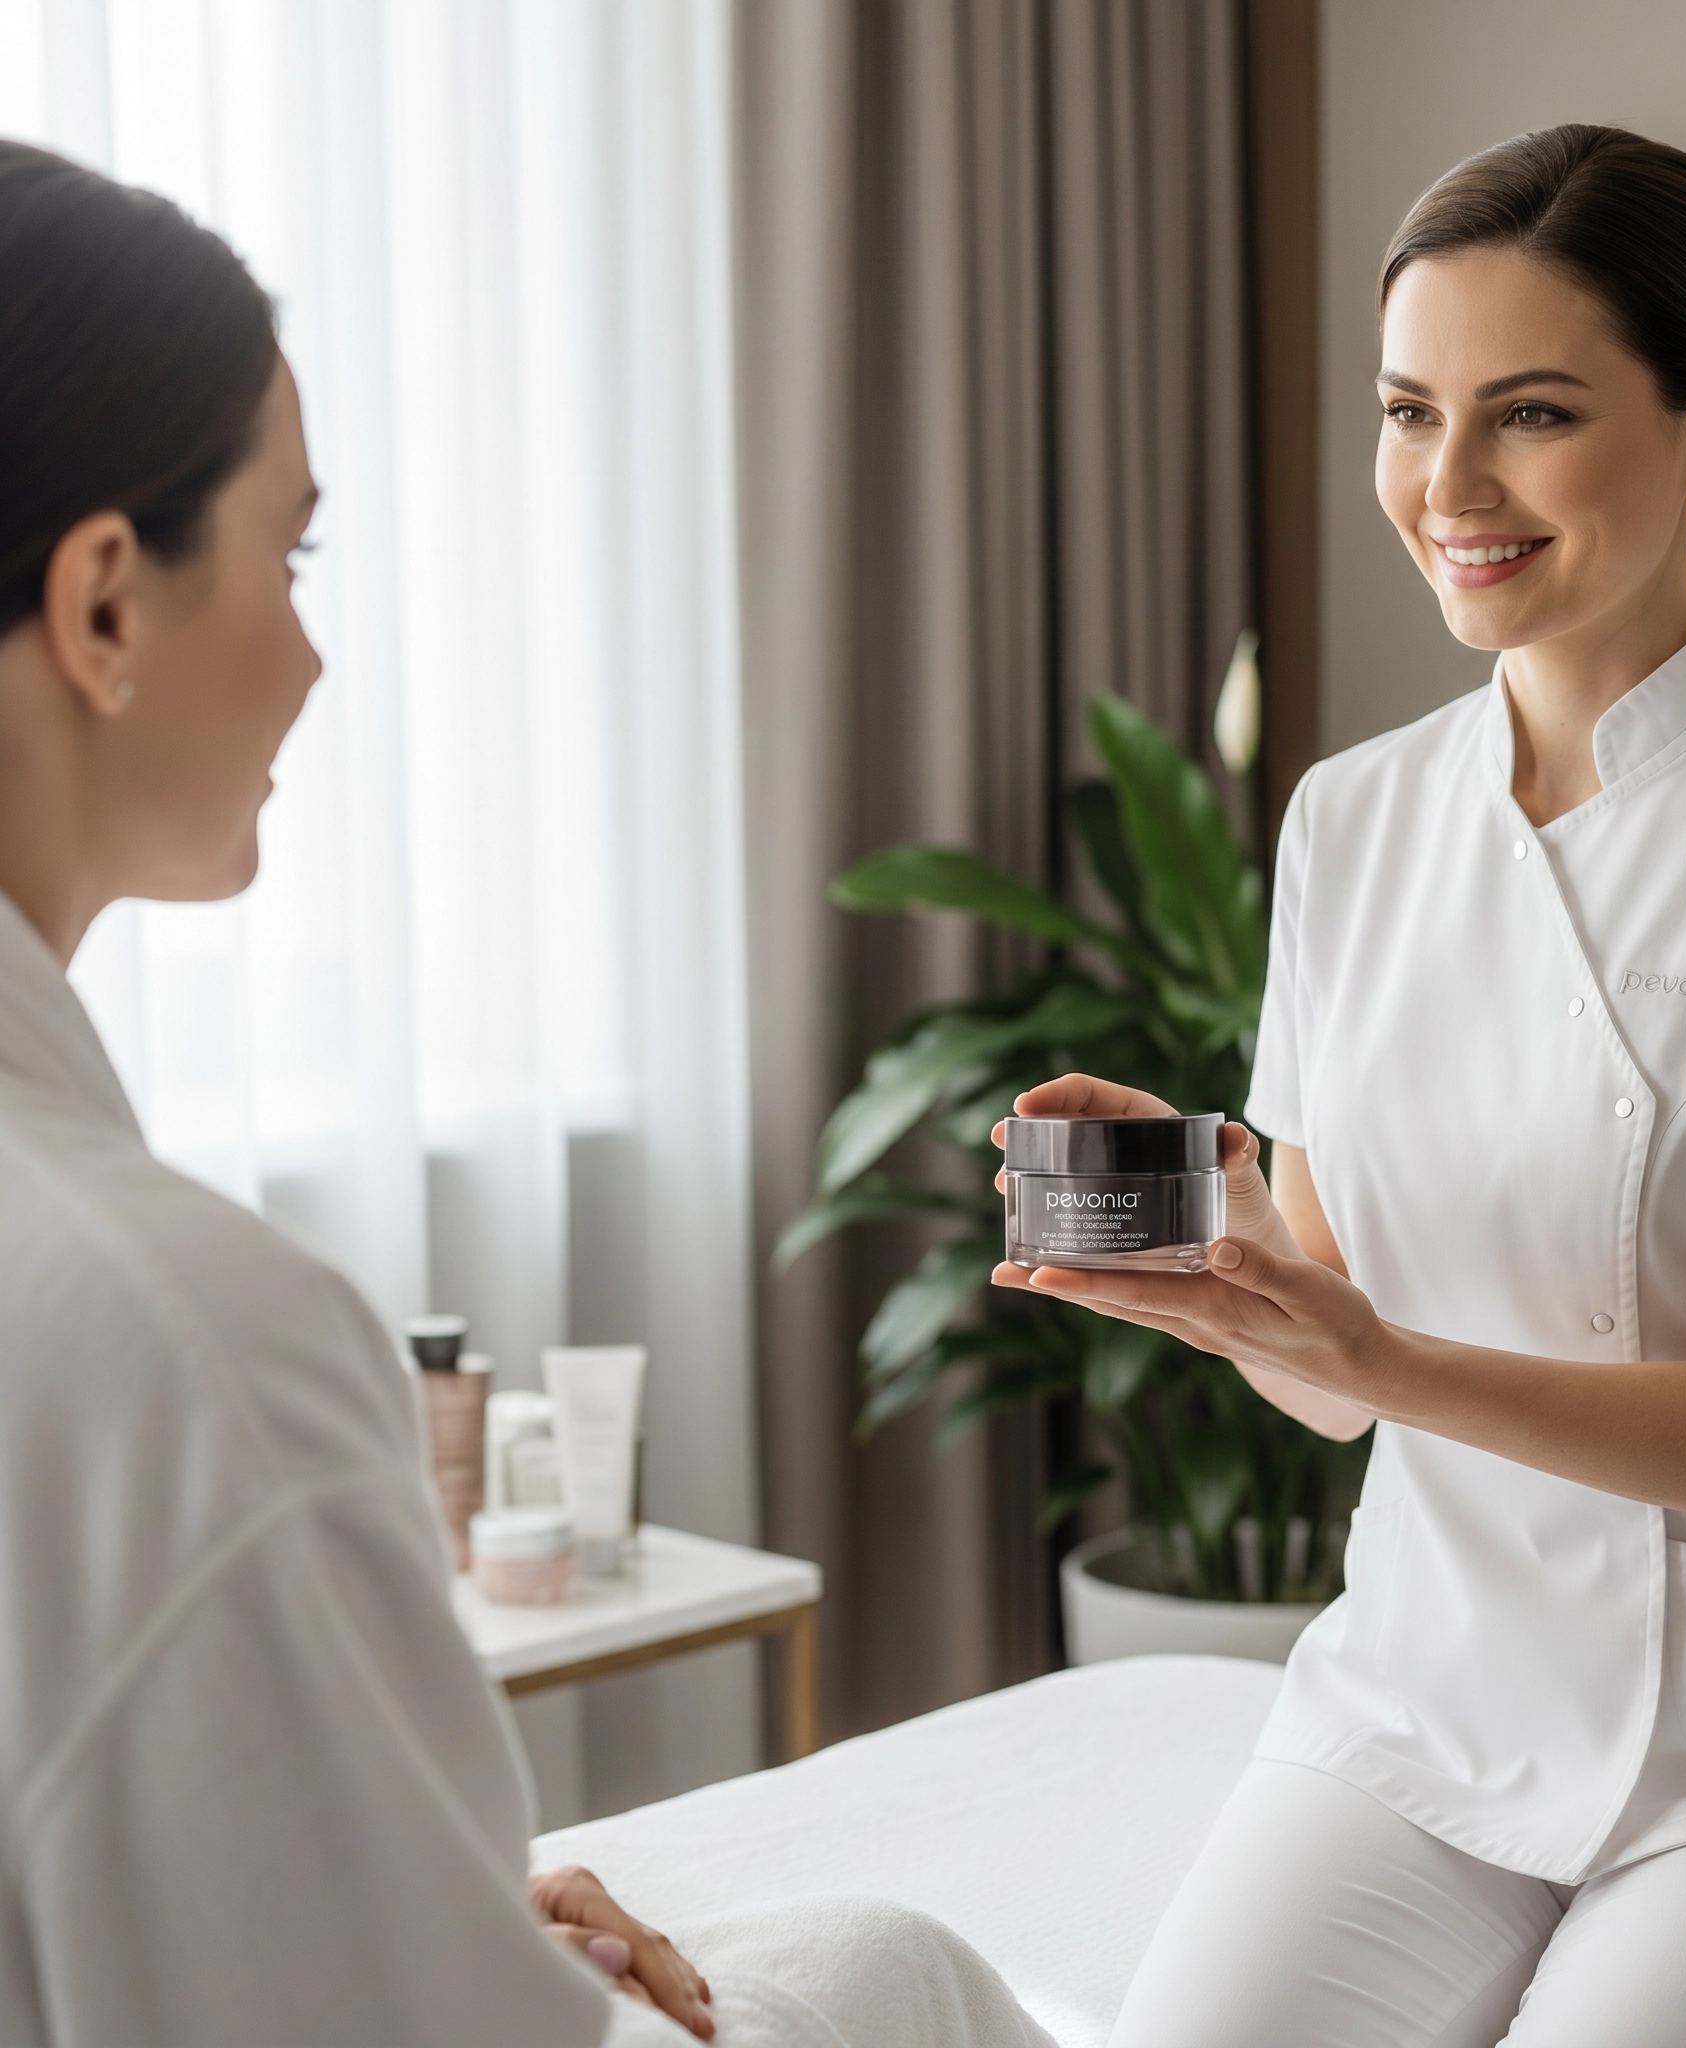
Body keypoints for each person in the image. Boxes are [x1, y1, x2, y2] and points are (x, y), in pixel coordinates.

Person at [0, 140, 1052, 2048]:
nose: (315, 652)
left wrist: (433, 1898)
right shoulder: (182, 1348)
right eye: (288, 553)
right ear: (101, 606)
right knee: (903, 1972)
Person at [1001, 126, 1686, 2047]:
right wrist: (1222, 1269)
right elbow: (1325, 1380)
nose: (1447, 485)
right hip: (1423, 1701)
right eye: (1408, 412)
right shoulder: (1351, 822)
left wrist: (1384, 1364)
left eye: (1530, 415)